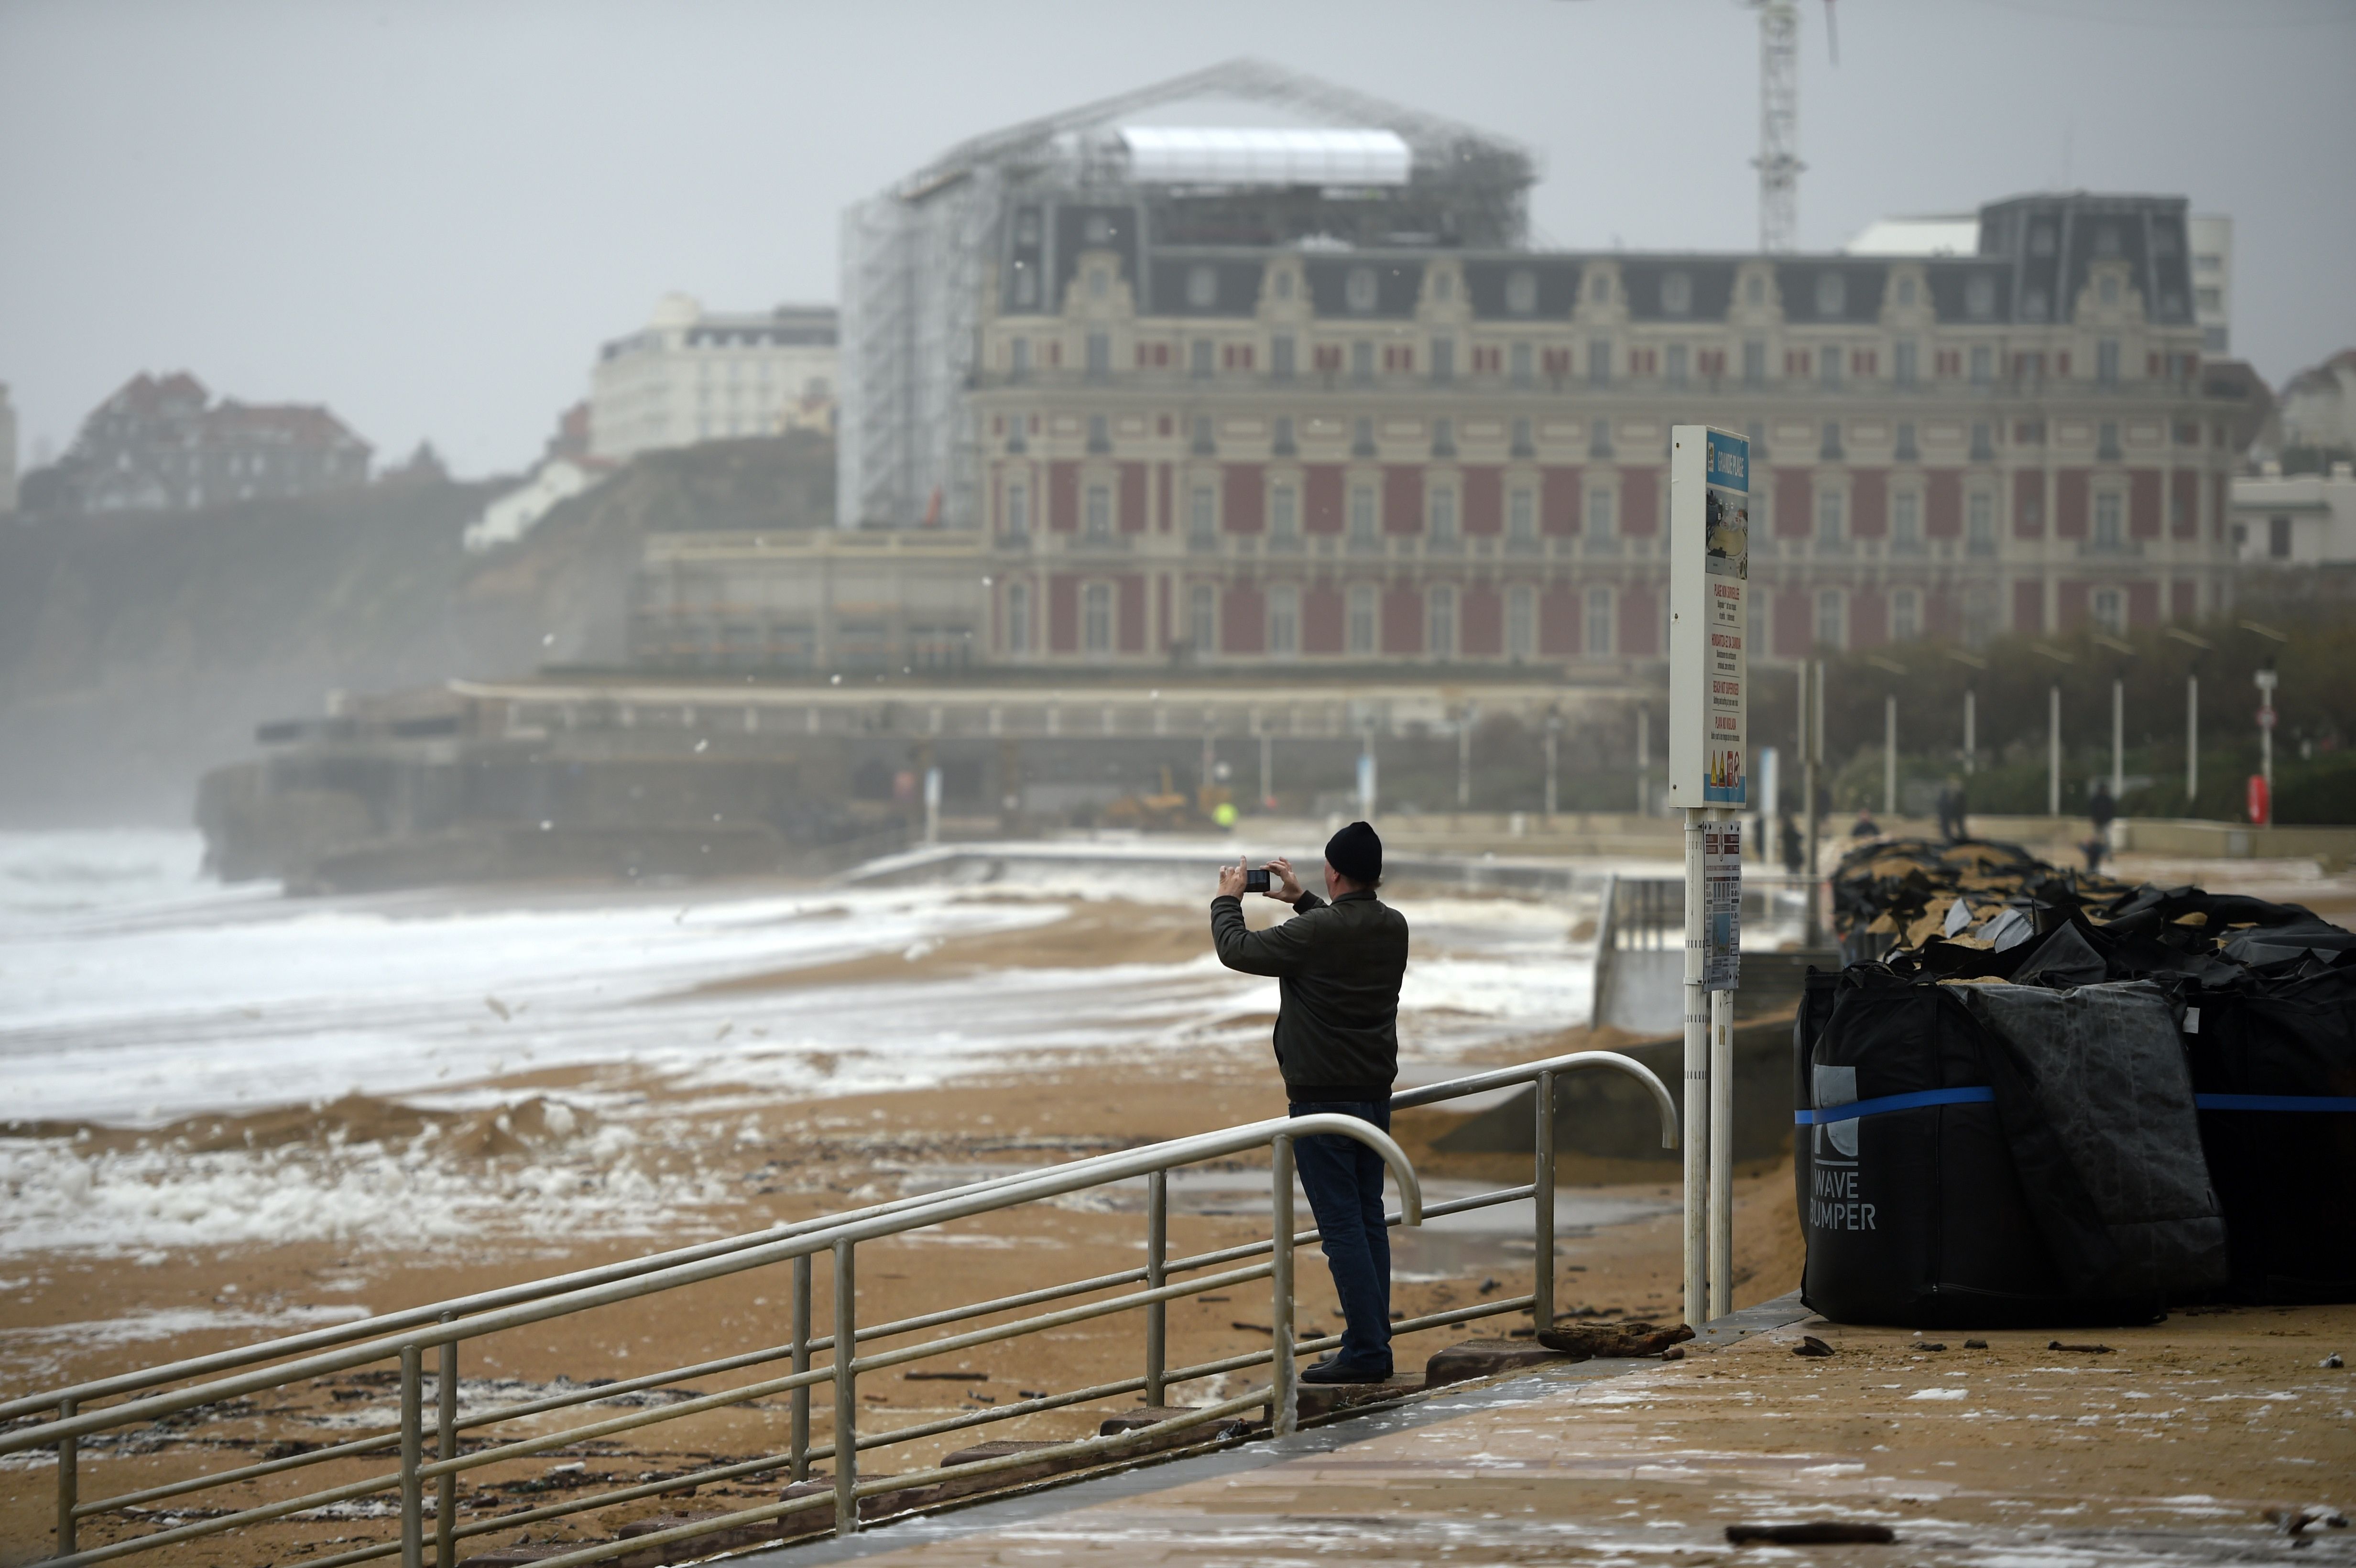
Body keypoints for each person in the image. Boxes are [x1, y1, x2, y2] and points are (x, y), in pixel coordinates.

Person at [1210, 821, 1409, 1385]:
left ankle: (1368, 1351)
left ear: (1334, 871)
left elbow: (1236, 949)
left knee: (1342, 1226)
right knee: (1368, 1219)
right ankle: (1370, 1342)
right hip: (1373, 1097)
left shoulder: (1321, 932)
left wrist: (1226, 900)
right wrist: (1303, 902)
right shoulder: (1392, 925)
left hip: (1322, 1101)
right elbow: (1340, 930)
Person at [2085, 780, 2117, 871]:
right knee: (2095, 840)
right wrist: (2093, 819)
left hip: (2106, 822)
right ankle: (2093, 858)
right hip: (2097, 822)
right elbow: (2092, 809)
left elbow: (2112, 810)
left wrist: (2109, 820)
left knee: (2107, 839)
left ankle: (2109, 856)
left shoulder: (2108, 799)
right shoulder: (2096, 799)